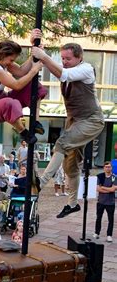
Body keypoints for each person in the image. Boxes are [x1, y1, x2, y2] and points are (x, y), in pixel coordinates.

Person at [32, 43, 105, 218]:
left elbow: (64, 74)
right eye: (62, 58)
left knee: (62, 143)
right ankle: (72, 204)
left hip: (91, 120)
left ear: (79, 57)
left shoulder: (86, 69)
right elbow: (53, 68)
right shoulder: (66, 68)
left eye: (68, 58)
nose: (64, 61)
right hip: (74, 120)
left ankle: (40, 183)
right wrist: (36, 52)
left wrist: (43, 56)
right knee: (70, 165)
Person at [0, 31, 46, 144]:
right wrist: (34, 70)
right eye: (11, 60)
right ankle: (23, 132)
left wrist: (34, 50)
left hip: (2, 98)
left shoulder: (2, 62)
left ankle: (35, 121)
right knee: (11, 103)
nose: (11, 63)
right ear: (3, 55)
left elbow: (20, 71)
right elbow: (17, 85)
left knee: (33, 86)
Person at [93, 162, 117, 242]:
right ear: (103, 168)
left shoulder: (114, 177)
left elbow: (113, 189)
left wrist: (103, 187)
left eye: (109, 167)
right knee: (98, 218)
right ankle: (97, 233)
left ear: (111, 168)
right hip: (101, 201)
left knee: (111, 219)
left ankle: (109, 235)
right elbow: (97, 189)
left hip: (110, 202)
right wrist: (109, 189)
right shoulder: (100, 176)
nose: (108, 168)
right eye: (106, 167)